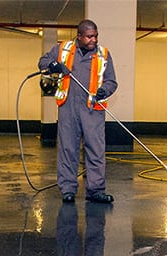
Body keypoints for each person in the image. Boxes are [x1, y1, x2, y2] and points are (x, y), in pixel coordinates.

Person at [38, 19, 118, 204]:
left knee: (96, 150)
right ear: (79, 36)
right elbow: (43, 61)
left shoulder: (103, 54)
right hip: (68, 108)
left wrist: (104, 91)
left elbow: (111, 81)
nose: (94, 40)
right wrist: (54, 66)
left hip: (92, 109)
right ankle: (67, 190)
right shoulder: (63, 49)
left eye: (96, 36)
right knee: (68, 149)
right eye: (90, 36)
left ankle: (95, 191)